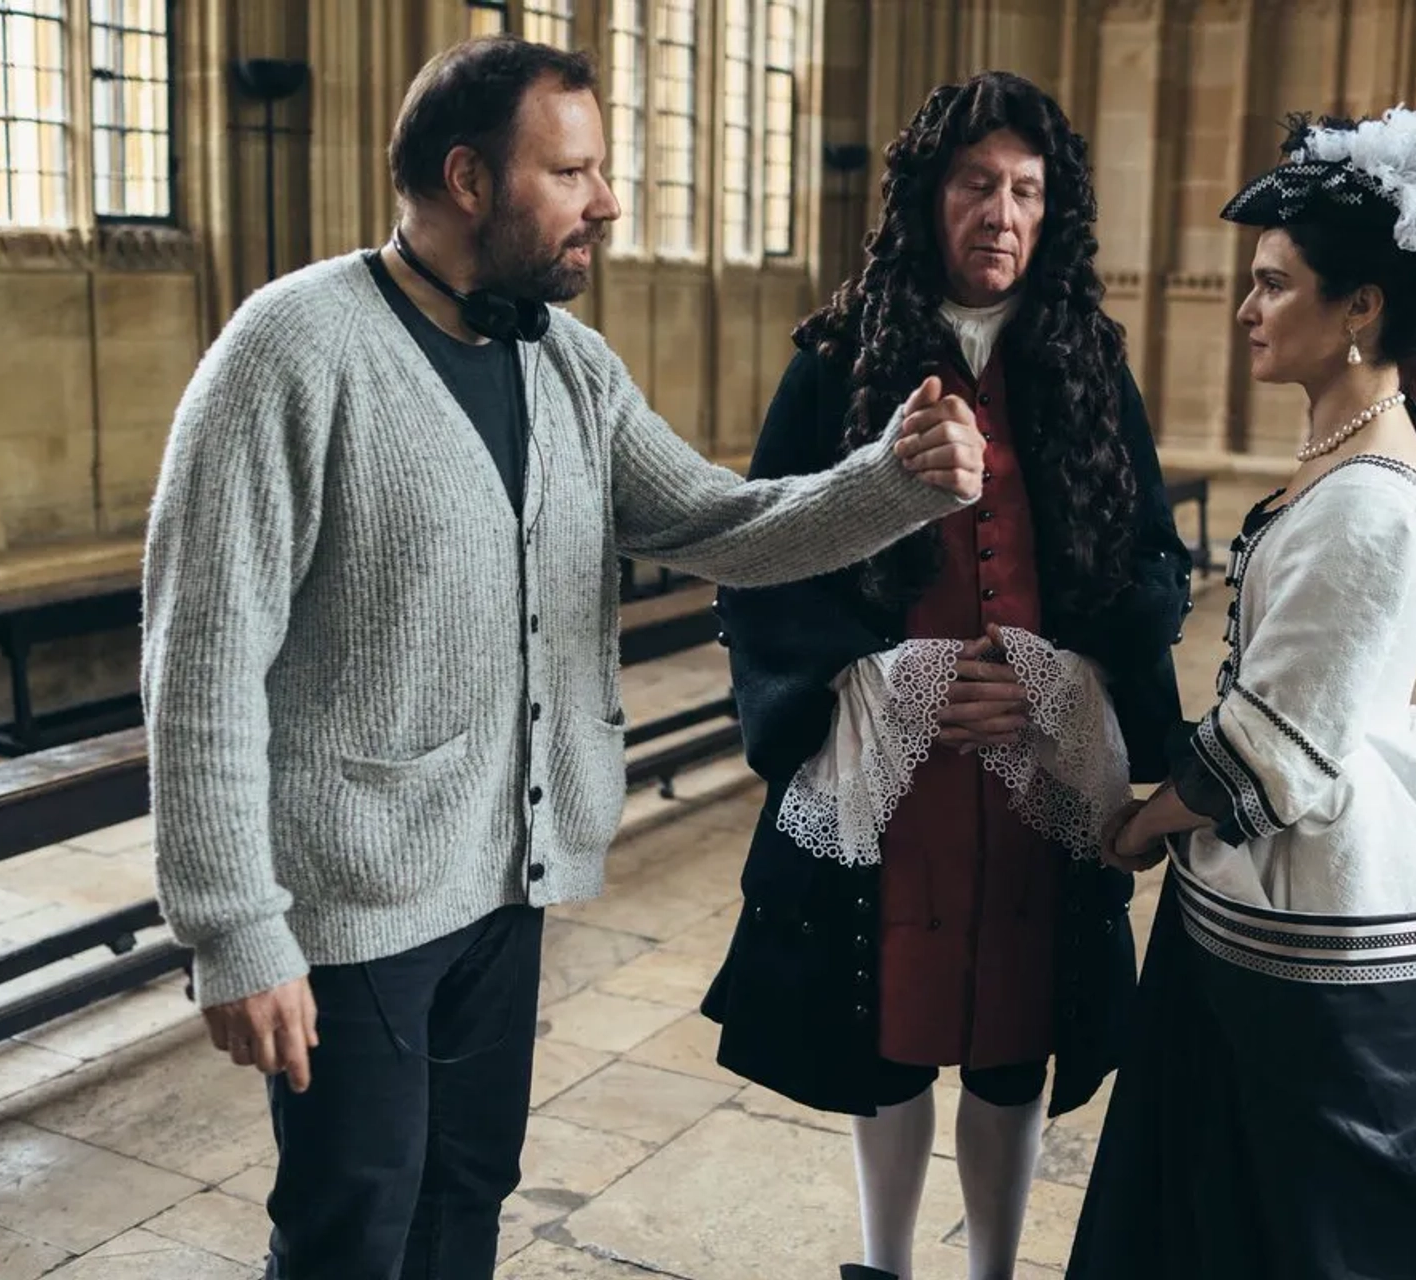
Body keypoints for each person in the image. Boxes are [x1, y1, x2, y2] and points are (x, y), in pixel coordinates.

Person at [141, 36, 987, 1280]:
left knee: (467, 1188)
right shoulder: (292, 350)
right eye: (574, 171)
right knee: (351, 1218)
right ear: (469, 177)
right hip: (357, 891)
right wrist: (234, 928)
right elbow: (200, 662)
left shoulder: (565, 362)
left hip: (504, 885)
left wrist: (891, 484)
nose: (607, 201)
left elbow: (715, 519)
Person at [1064, 107, 1416, 1280]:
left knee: (1292, 1212)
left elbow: (1270, 750)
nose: (1247, 309)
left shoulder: (1367, 497)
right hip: (1271, 881)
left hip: (1321, 902)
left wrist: (1140, 825)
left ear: (1361, 308)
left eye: (1274, 283)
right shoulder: (1350, 453)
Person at [699, 72, 1192, 1280]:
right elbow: (758, 554)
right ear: (930, 197)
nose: (1001, 213)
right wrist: (866, 682)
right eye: (978, 184)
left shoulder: (1087, 368)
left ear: (1052, 211)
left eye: (1026, 190)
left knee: (1016, 1034)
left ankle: (990, 1270)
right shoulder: (832, 362)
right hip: (893, 773)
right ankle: (887, 1262)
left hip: (1037, 776)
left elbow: (1154, 567)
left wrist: (1061, 683)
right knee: (892, 1026)